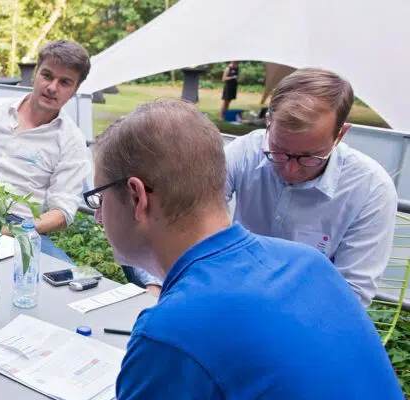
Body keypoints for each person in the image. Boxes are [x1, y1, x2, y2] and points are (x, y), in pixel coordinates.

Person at [0, 99, 410, 400]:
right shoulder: (309, 264)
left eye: (99, 199)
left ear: (137, 197)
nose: (98, 214)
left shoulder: (175, 332)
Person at [126, 68, 398, 307]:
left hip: (305, 313)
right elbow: (184, 218)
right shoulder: (245, 151)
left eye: (309, 157)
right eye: (278, 151)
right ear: (269, 122)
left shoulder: (370, 189)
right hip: (228, 297)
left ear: (341, 134)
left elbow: (351, 294)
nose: (290, 169)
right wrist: (157, 284)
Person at [0, 40, 92, 263]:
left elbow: (62, 212)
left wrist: (6, 230)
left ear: (75, 90)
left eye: (64, 82)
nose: (52, 87)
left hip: (20, 228)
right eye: (47, 75)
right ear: (35, 74)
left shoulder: (71, 140)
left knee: (67, 275)